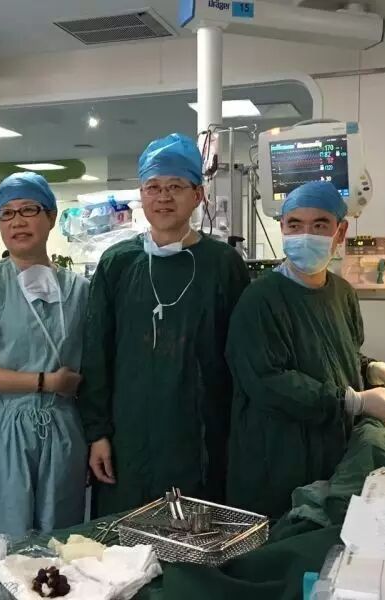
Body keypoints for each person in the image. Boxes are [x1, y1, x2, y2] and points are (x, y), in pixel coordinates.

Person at [225, 180, 385, 518]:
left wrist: (374, 369)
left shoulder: (342, 293)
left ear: (340, 231)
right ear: (282, 228)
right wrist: (355, 401)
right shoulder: (259, 300)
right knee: (287, 536)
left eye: (319, 225)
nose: (306, 235)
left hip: (332, 447)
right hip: (278, 456)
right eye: (295, 225)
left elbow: (338, 352)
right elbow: (267, 382)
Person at [79, 133, 250, 517]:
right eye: (153, 187)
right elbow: (96, 354)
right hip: (128, 438)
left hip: (200, 437)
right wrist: (98, 433)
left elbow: (241, 356)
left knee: (194, 534)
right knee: (122, 537)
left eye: (175, 186)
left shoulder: (222, 265)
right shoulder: (118, 263)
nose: (163, 197)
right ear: (141, 196)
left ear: (198, 194)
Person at [0, 172, 88, 553]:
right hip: (1, 430)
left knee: (61, 541)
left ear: (52, 217)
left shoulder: (80, 290)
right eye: (7, 213)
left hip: (62, 429)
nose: (17, 221)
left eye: (29, 210)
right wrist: (46, 382)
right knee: (1, 543)